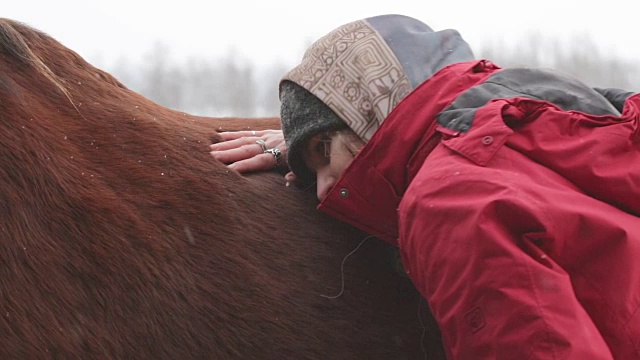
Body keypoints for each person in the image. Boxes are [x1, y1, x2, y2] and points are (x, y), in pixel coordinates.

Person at [209, 14, 640, 359]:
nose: (322, 191)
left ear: (369, 115)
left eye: (324, 150)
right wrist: (317, 148)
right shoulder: (561, 117)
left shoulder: (449, 201)